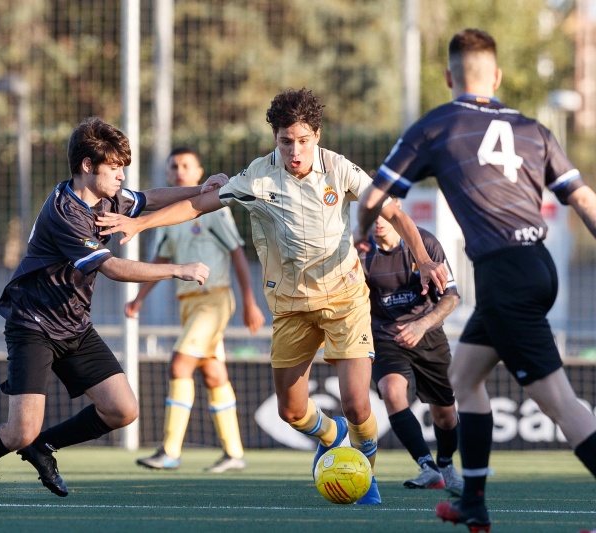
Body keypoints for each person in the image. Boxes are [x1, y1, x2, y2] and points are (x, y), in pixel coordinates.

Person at [97, 88, 449, 505]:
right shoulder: (258, 178)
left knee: (358, 405)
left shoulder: (339, 169)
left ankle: (363, 468)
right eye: (286, 141)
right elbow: (198, 205)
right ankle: (332, 434)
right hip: (292, 307)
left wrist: (425, 260)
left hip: (346, 299)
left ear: (316, 136)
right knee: (293, 413)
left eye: (303, 141)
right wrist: (141, 225)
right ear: (275, 139)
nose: (294, 151)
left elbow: (394, 212)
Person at [356, 28, 596, 532]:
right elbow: (585, 200)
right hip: (534, 266)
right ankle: (475, 502)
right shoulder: (533, 129)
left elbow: (373, 199)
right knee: (465, 377)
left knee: (558, 401)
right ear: (498, 77)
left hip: (503, 276)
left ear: (449, 76)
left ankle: (476, 502)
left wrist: (361, 234)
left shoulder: (438, 125)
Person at [0, 117, 228, 501]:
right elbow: (113, 268)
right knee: (21, 430)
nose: (122, 176)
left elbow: (149, 198)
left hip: (73, 324)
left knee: (122, 410)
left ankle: (44, 448)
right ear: (88, 166)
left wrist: (202, 189)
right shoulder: (65, 214)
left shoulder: (105, 198)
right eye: (115, 168)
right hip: (33, 325)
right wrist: (177, 269)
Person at [129, 147, 266, 473]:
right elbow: (160, 261)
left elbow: (237, 253)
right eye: (173, 166)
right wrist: (139, 298)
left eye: (185, 165)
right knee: (213, 373)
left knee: (179, 365)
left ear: (198, 171)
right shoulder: (169, 218)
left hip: (214, 300)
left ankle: (170, 451)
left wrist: (249, 301)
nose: (179, 171)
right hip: (188, 306)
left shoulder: (214, 209)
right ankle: (234, 453)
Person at [357, 198, 463, 496]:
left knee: (445, 413)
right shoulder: (360, 251)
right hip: (385, 336)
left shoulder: (425, 243)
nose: (378, 219)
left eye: (384, 209)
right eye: (371, 211)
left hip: (427, 333)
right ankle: (428, 467)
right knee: (392, 391)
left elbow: (451, 297)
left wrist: (421, 325)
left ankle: (446, 465)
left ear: (397, 206)